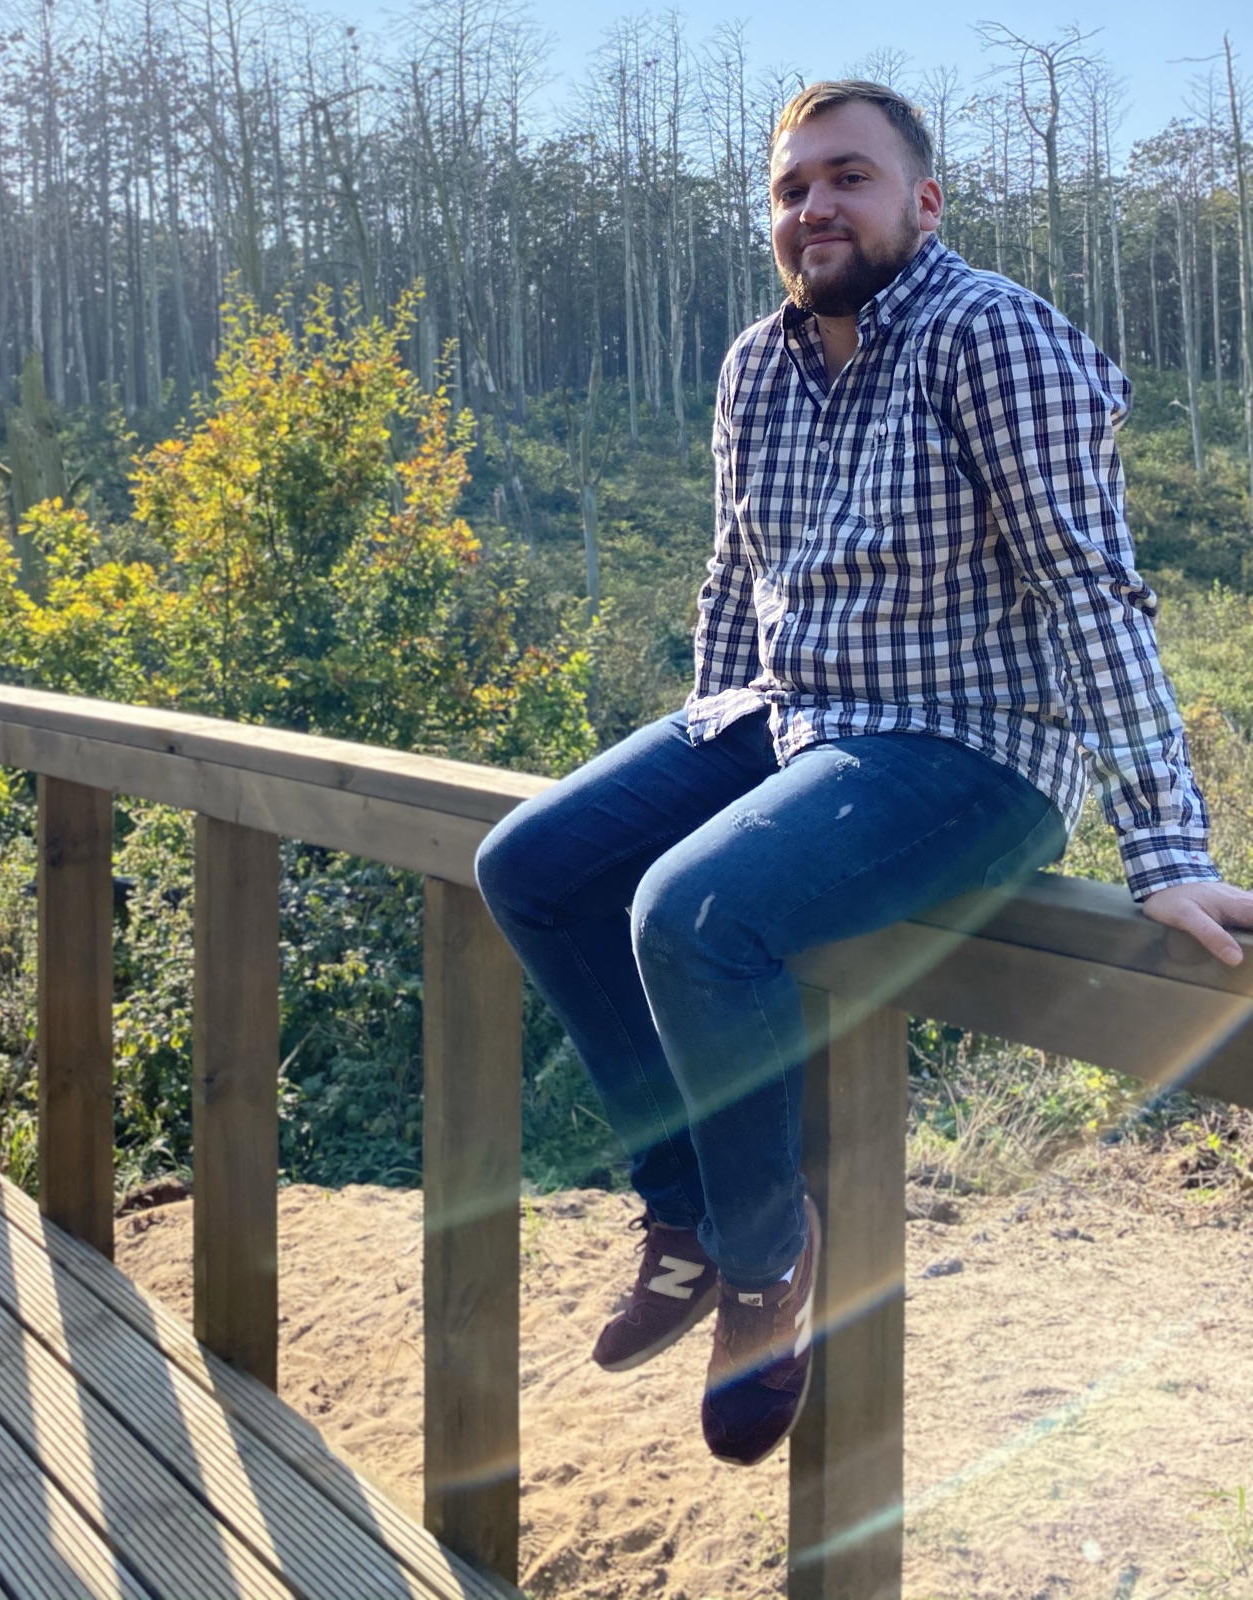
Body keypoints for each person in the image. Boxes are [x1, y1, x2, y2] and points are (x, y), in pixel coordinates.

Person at [474, 79, 1253, 1467]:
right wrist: (700, 742)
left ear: (922, 202)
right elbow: (736, 577)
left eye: (849, 177)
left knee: (694, 914)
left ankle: (768, 1261)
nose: (815, 207)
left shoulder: (991, 336)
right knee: (530, 864)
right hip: (788, 715)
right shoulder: (754, 366)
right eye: (792, 188)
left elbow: (1091, 590)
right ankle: (686, 1209)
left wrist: (1167, 847)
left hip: (973, 746)